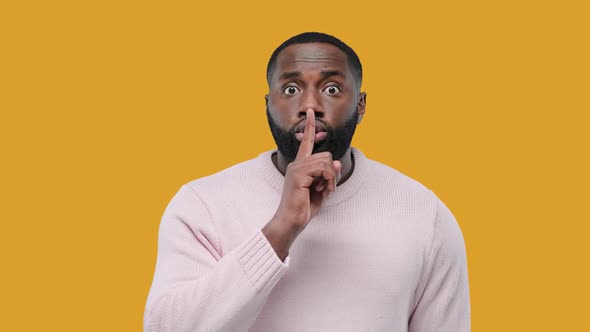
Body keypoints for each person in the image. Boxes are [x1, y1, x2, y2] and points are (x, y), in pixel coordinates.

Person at [144, 32, 470, 332]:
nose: (310, 106)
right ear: (268, 105)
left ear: (360, 105)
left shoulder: (424, 213)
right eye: (291, 90)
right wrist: (281, 228)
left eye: (331, 89)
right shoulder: (204, 204)